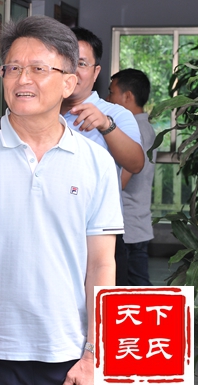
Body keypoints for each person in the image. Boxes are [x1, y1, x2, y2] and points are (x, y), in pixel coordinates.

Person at [0, 15, 123, 385]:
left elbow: (100, 265)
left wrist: (95, 352)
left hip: (65, 351)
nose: (22, 79)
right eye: (13, 68)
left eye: (38, 69)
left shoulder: (96, 163)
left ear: (69, 82)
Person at [61, 26, 144, 286]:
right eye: (66, 61)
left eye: (81, 63)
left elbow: (135, 163)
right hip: (51, 234)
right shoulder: (39, 112)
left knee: (101, 307)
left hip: (100, 234)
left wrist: (106, 125)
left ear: (96, 72)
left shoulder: (116, 114)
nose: (73, 71)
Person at [107, 68, 156, 286]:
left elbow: (121, 182)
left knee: (135, 290)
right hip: (136, 224)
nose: (108, 98)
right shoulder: (145, 127)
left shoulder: (134, 129)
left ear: (127, 96)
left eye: (112, 92)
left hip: (129, 228)